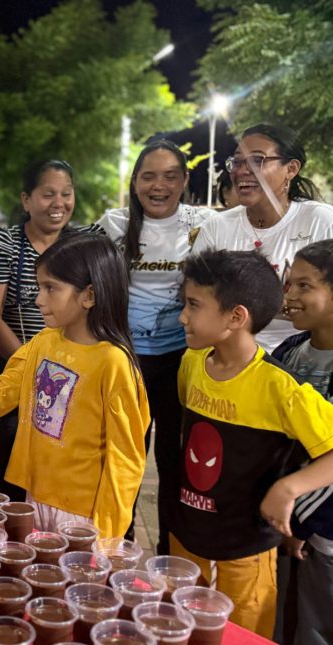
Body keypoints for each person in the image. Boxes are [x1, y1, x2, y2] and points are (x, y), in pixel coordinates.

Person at [0, 233, 150, 538]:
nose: (39, 299)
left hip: (86, 517)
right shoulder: (42, 343)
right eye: (39, 287)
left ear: (89, 295)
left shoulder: (114, 362)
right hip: (34, 501)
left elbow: (125, 460)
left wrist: (107, 538)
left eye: (51, 288)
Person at [167, 249, 333, 637]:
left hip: (243, 553)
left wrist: (288, 488)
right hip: (186, 538)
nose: (182, 317)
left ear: (236, 317)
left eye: (193, 305)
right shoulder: (191, 363)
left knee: (238, 636)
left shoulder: (281, 388)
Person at [97, 140, 215, 552]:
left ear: (184, 180)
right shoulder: (112, 224)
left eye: (170, 176)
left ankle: (169, 551)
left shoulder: (205, 223)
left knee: (174, 462)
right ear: (135, 182)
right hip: (126, 361)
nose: (158, 186)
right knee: (124, 459)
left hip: (182, 360)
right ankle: (119, 548)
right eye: (148, 176)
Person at [0, 159, 82, 500]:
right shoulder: (3, 243)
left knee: (63, 468)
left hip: (73, 373)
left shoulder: (84, 243)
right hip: (17, 367)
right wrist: (34, 368)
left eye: (66, 193)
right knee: (15, 470)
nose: (58, 203)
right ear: (26, 200)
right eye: (48, 194)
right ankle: (13, 533)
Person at [192, 123, 333, 352]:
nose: (242, 170)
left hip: (303, 357)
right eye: (237, 162)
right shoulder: (216, 227)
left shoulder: (322, 222)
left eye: (257, 161)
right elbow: (196, 297)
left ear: (291, 169)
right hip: (229, 355)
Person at [270, 239, 333, 645]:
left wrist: (298, 519)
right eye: (289, 284)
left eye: (304, 286)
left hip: (322, 532)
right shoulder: (291, 350)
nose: (289, 296)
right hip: (286, 522)